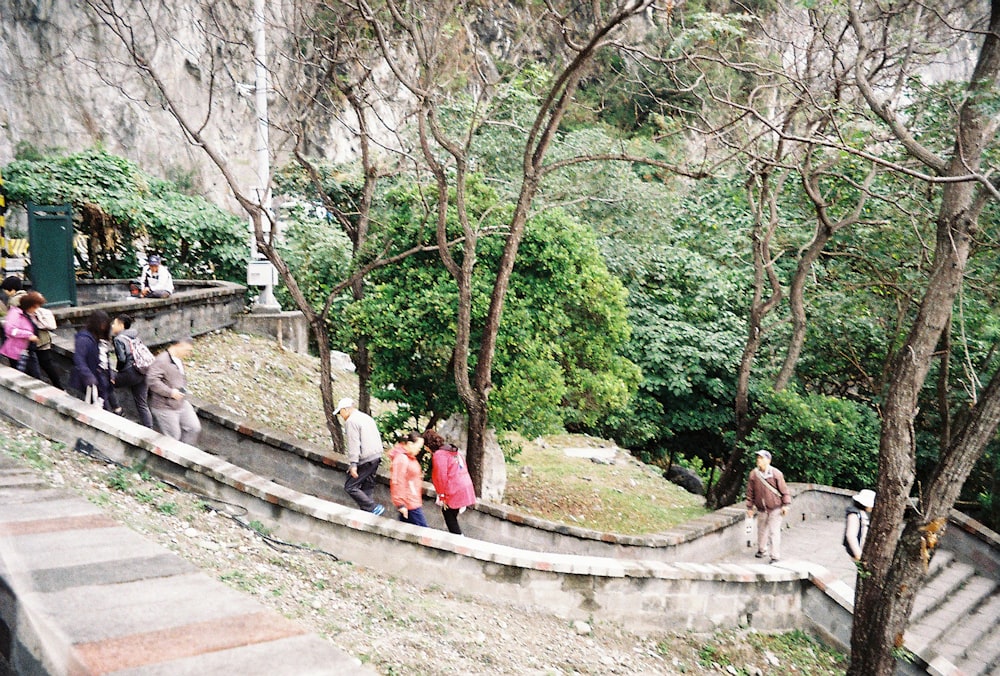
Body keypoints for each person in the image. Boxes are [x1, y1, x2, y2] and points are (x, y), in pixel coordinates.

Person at [335, 397, 386, 515]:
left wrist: (353, 464)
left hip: (366, 458)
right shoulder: (366, 417)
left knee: (350, 486)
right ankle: (368, 513)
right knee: (367, 486)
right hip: (376, 456)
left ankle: (373, 507)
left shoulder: (351, 421)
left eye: (340, 412)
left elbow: (354, 443)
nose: (341, 415)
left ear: (346, 409)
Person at [146, 336, 201, 444]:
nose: (188, 354)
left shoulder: (177, 359)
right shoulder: (162, 360)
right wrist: (170, 392)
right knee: (173, 437)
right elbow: (151, 380)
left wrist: (182, 391)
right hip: (165, 406)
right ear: (178, 346)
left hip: (181, 403)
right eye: (187, 350)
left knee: (194, 428)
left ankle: (184, 453)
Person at [745, 449, 792, 563]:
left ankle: (775, 556)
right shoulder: (754, 474)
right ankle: (762, 550)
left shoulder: (776, 474)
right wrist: (749, 507)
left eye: (761, 458)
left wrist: (786, 505)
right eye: (758, 458)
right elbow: (750, 492)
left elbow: (784, 490)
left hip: (775, 507)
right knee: (761, 530)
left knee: (774, 532)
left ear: (768, 460)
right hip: (761, 508)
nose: (758, 460)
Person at [426, 429, 476, 535]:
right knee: (452, 514)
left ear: (427, 446)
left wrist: (442, 496)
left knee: (448, 514)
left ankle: (458, 539)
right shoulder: (452, 451)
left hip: (454, 488)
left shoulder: (439, 455)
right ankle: (456, 536)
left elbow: (441, 477)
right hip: (465, 485)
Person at [68, 309, 117, 411]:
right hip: (88, 382)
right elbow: (79, 359)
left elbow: (105, 357)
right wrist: (89, 376)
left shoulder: (100, 338)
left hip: (102, 378)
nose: (103, 326)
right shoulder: (84, 339)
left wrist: (110, 373)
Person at [111, 314, 153, 428]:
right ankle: (149, 429)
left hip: (131, 372)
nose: (112, 326)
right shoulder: (135, 336)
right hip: (143, 371)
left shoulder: (119, 339)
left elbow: (122, 359)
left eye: (114, 323)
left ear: (121, 325)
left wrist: (118, 373)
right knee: (142, 403)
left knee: (107, 383)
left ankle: (116, 410)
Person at [390, 431, 428, 527]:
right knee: (424, 531)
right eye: (418, 447)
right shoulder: (402, 459)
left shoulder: (409, 457)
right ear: (410, 444)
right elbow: (397, 481)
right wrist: (400, 504)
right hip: (410, 502)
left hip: (412, 500)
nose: (419, 450)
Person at [1, 290, 44, 373]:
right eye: (35, 307)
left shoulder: (30, 314)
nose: (36, 309)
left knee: (35, 375)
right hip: (17, 351)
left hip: (29, 349)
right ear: (29, 305)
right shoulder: (15, 313)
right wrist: (28, 335)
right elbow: (10, 330)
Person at [25, 298, 62, 388]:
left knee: (42, 365)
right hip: (43, 340)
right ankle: (59, 386)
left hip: (38, 341)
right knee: (47, 365)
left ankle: (57, 386)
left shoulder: (30, 310)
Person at [844, 489, 875, 562]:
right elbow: (851, 535)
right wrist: (858, 554)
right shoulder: (854, 515)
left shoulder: (861, 514)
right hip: (857, 551)